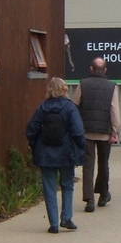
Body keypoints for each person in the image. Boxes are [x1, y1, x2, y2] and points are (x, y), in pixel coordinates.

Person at [25, 77, 86, 234]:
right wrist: (81, 147)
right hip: (66, 154)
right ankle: (66, 218)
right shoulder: (70, 108)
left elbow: (31, 129)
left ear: (50, 90)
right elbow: (78, 131)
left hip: (45, 154)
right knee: (67, 185)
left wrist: (35, 146)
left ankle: (53, 224)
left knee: (49, 188)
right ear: (65, 90)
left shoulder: (43, 107)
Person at [73, 56, 119, 211]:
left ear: (91, 69)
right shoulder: (112, 86)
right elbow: (114, 110)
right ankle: (103, 195)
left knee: (88, 166)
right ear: (105, 70)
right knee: (103, 164)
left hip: (86, 132)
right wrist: (115, 130)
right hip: (105, 133)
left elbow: (75, 106)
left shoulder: (82, 84)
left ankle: (89, 200)